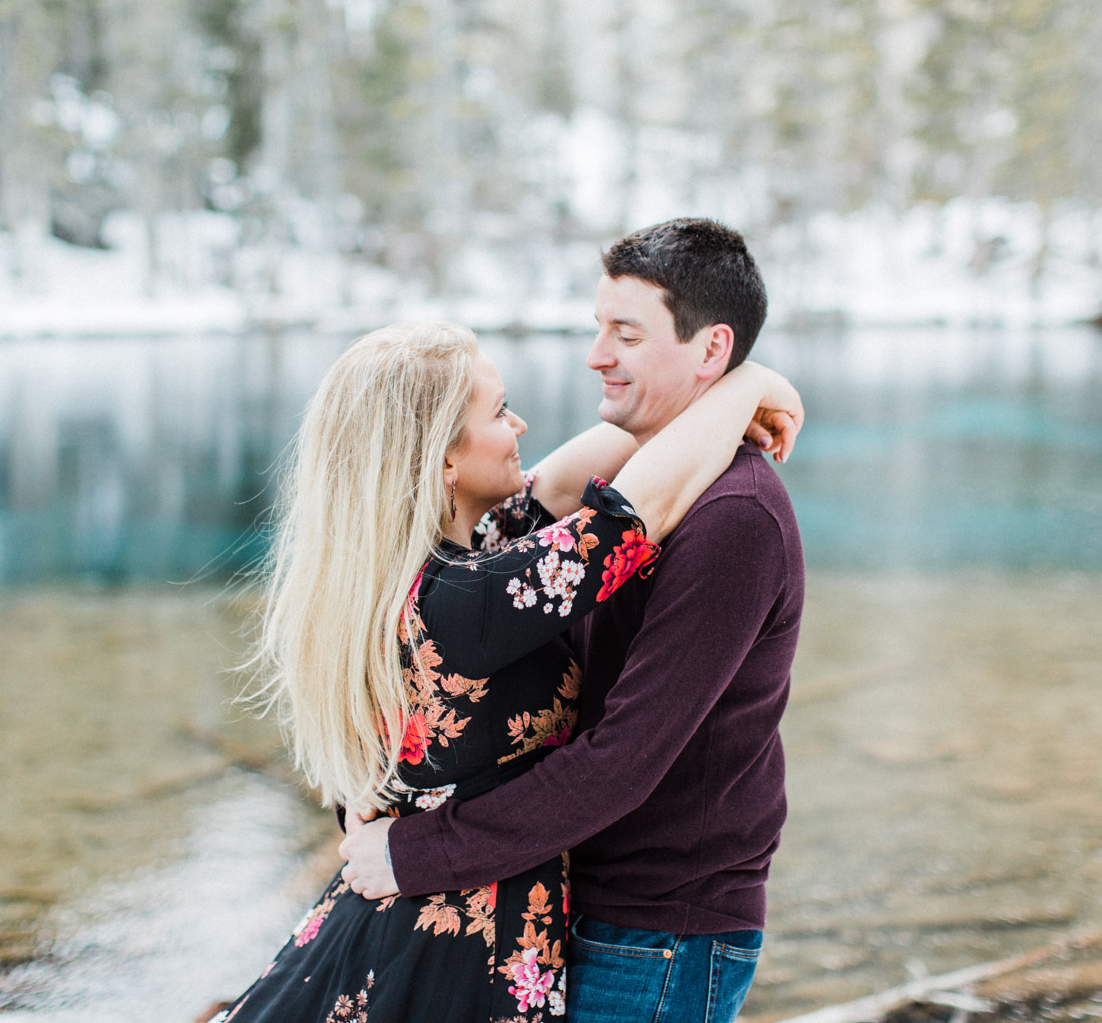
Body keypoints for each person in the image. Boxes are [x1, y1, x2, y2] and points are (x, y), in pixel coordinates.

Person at [216, 319, 802, 1022]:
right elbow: (640, 509)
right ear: (443, 463)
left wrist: (713, 391)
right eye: (497, 412)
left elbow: (554, 483)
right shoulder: (474, 601)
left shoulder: (415, 569)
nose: (519, 422)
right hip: (460, 949)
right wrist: (749, 384)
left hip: (405, 918)